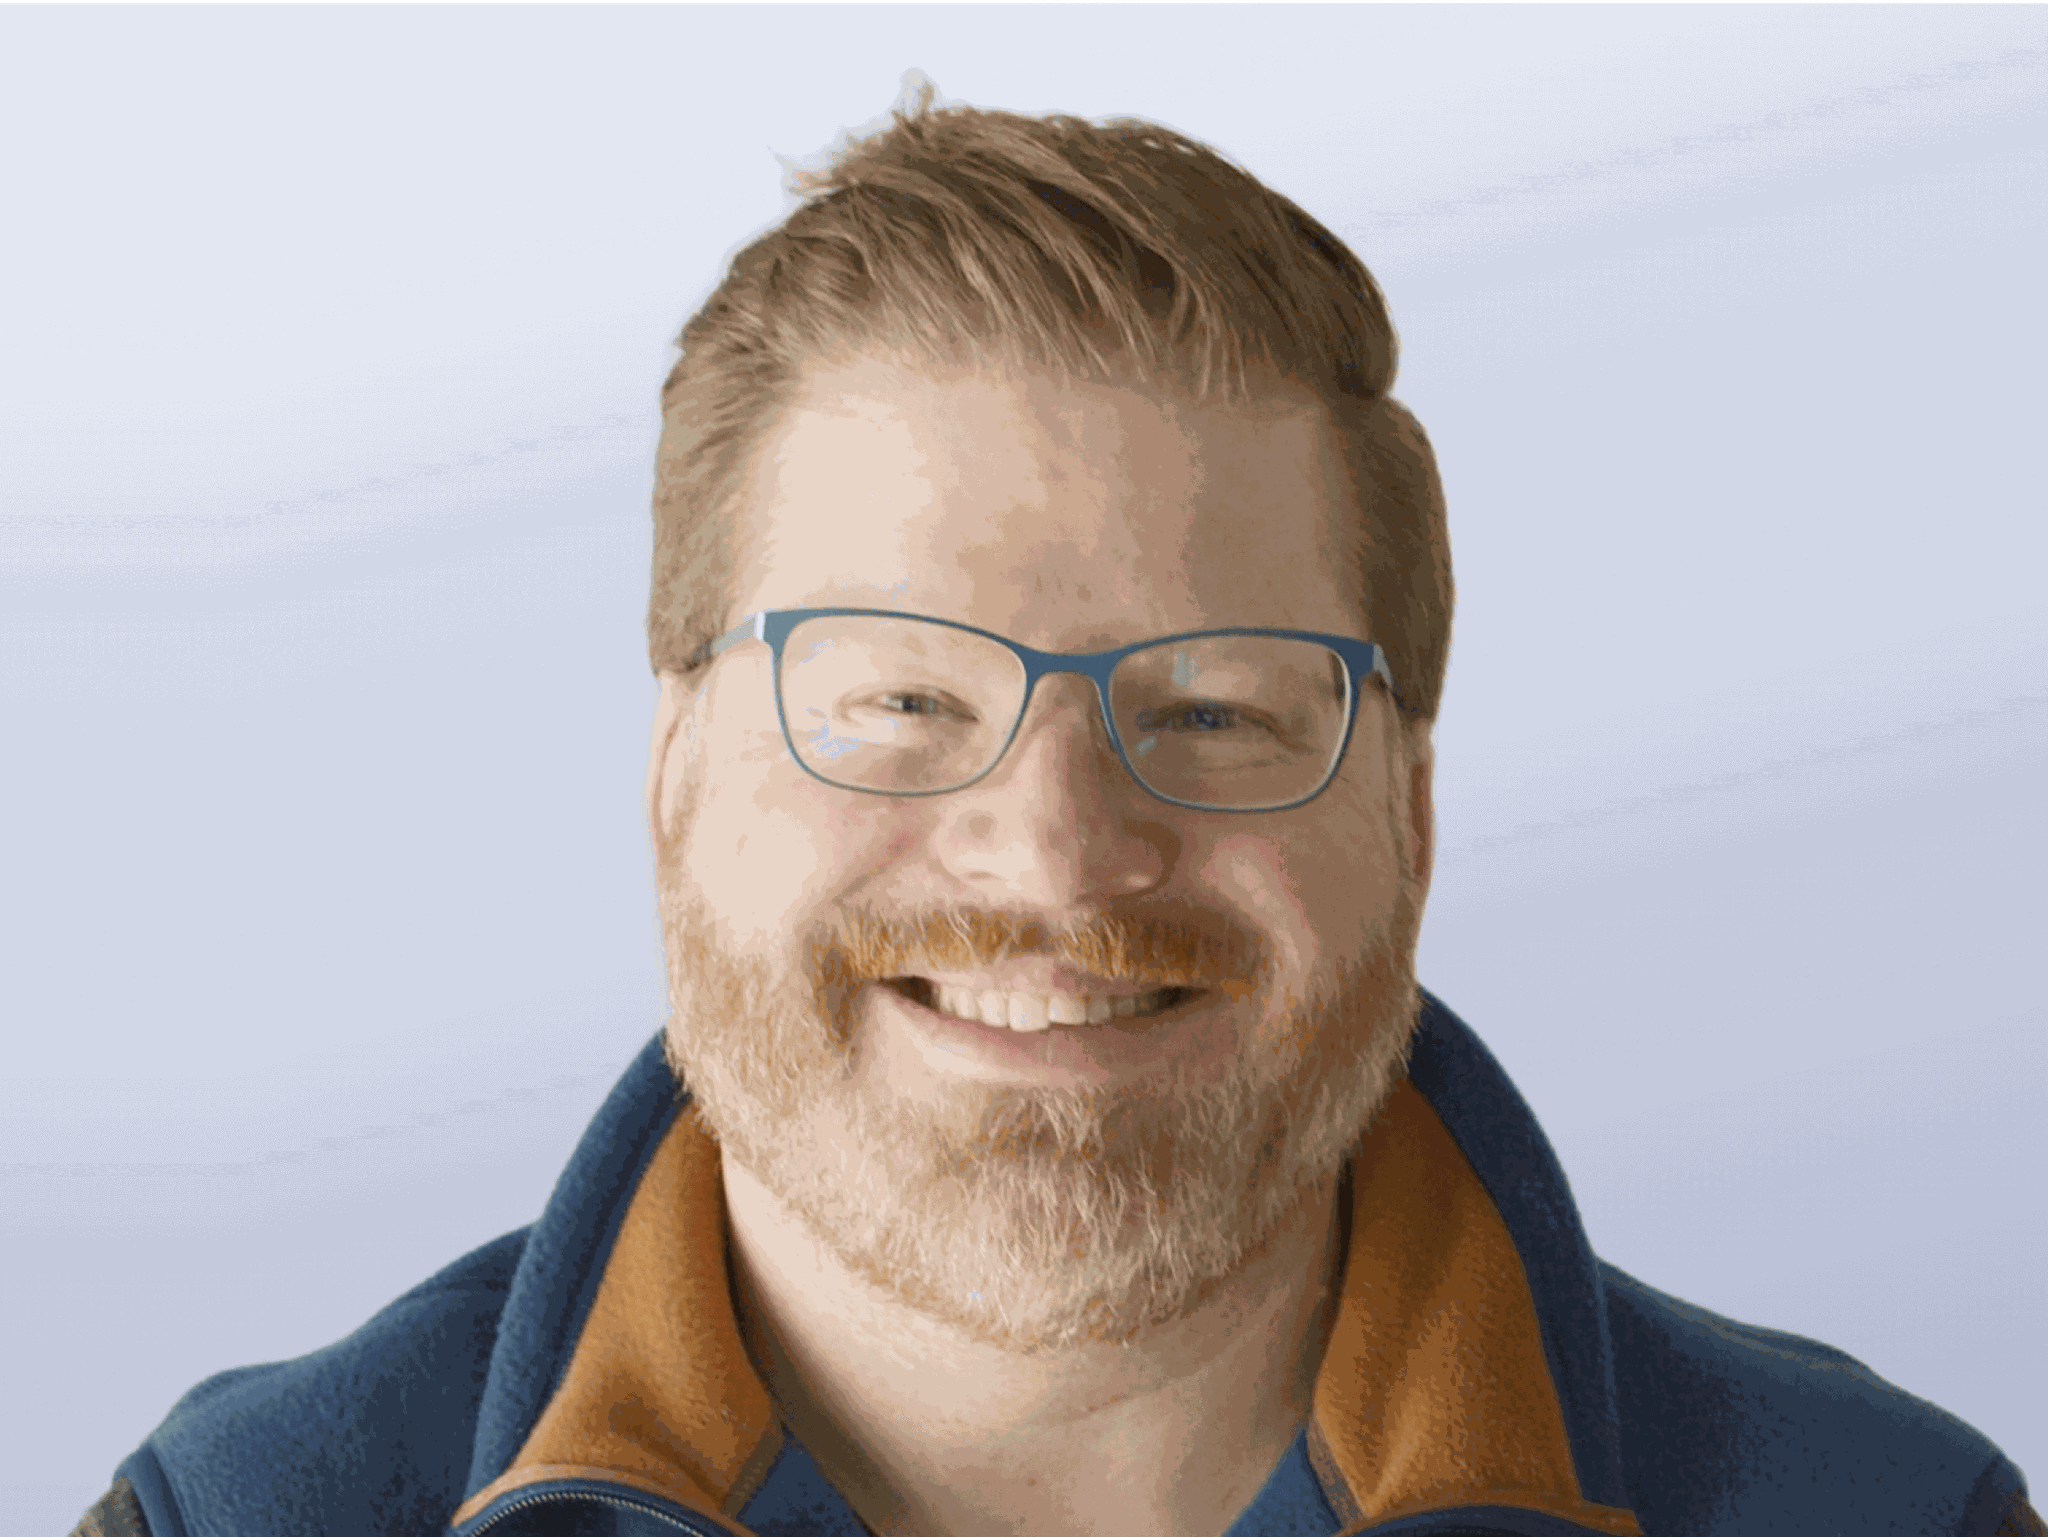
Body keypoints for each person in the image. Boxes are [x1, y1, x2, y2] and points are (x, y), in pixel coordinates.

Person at [73, 81, 2037, 1537]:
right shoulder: (233, 1517)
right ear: (675, 782)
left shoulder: (1883, 1514)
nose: (1055, 853)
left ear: (1413, 820)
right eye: (900, 702)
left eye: (1217, 708)